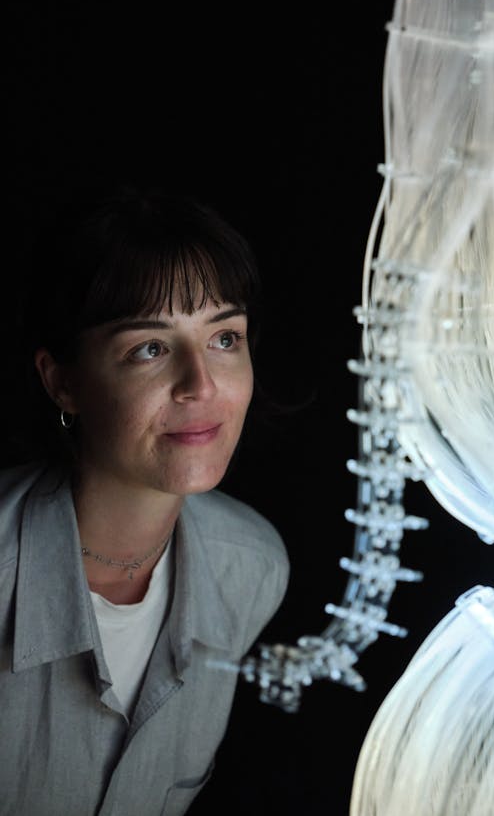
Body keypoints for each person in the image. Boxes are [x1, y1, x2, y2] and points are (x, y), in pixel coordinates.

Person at [0, 183, 290, 816]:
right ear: (64, 381)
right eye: (150, 349)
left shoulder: (253, 568)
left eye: (224, 338)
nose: (201, 385)